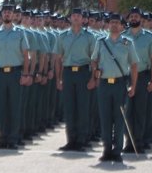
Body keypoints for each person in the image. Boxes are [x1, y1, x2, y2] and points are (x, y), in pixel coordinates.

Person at [90, 13, 139, 161]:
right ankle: (106, 150)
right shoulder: (101, 42)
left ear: (122, 26)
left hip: (120, 84)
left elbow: (134, 65)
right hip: (104, 84)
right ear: (108, 25)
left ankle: (117, 151)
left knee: (119, 118)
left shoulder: (127, 43)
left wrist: (133, 86)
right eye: (111, 22)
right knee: (105, 118)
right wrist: (96, 72)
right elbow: (94, 60)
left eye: (117, 23)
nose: (114, 25)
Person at [0, 4, 31, 149]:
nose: (7, 15)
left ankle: (13, 138)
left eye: (9, 13)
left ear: (13, 16)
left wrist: (25, 73)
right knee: (1, 107)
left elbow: (26, 56)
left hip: (15, 73)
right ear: (1, 15)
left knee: (14, 106)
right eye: (5, 12)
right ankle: (2, 137)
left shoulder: (20, 33)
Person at [55, 8, 96, 151]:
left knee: (83, 108)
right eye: (74, 16)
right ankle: (71, 140)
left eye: (79, 16)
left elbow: (95, 60)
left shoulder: (89, 37)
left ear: (83, 19)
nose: (76, 18)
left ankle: (82, 140)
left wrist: (93, 78)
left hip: (83, 73)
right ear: (70, 18)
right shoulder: (62, 36)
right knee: (69, 108)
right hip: (67, 73)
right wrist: (58, 79)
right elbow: (58, 59)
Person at [122, 7, 152, 153]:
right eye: (131, 16)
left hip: (143, 76)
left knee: (140, 110)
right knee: (127, 111)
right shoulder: (122, 36)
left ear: (141, 20)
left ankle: (139, 141)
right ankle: (128, 141)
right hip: (126, 78)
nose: (133, 19)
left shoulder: (149, 37)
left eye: (136, 16)